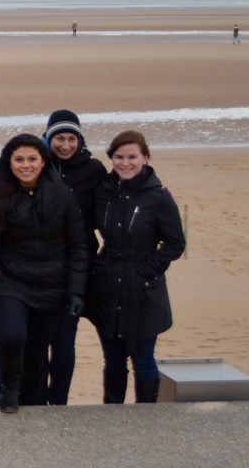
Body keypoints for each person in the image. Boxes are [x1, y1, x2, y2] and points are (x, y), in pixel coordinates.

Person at [0, 134, 88, 413]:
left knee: (38, 351)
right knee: (13, 336)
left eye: (32, 159)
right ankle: (10, 386)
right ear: (9, 163)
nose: (26, 165)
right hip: (12, 281)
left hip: (53, 284)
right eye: (19, 159)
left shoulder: (62, 195)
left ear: (43, 161)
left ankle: (27, 400)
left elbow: (78, 246)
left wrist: (75, 291)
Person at [86, 131, 184, 404]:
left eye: (132, 157)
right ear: (111, 159)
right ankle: (114, 414)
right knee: (114, 360)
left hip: (143, 288)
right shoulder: (103, 192)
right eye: (119, 157)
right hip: (107, 284)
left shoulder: (159, 197)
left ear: (145, 157)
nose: (125, 163)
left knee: (142, 359)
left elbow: (175, 243)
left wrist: (147, 269)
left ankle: (146, 418)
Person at [40, 109, 107, 405]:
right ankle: (36, 398)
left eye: (71, 139)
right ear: (48, 138)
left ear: (79, 140)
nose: (65, 145)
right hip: (39, 263)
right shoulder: (37, 164)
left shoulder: (93, 170)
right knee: (37, 340)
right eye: (58, 138)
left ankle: (59, 401)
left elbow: (106, 209)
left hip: (78, 265)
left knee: (65, 340)